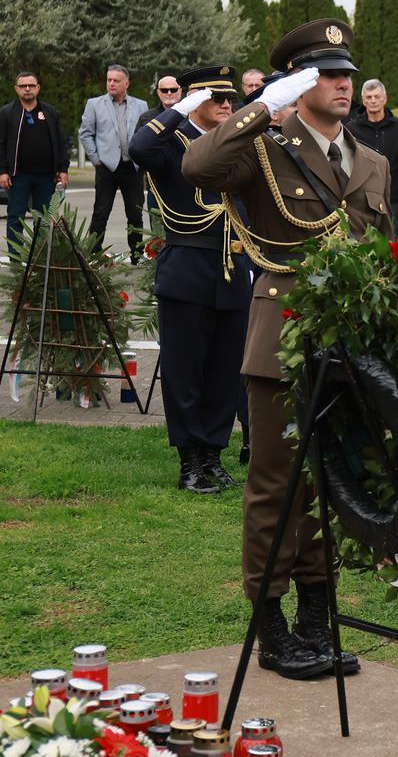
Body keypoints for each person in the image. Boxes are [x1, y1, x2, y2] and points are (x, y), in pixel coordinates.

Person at [182, 19, 392, 681]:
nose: (341, 84)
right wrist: (261, 107)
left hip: (349, 342)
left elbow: (379, 253)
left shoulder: (372, 162)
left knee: (329, 483)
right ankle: (271, 626)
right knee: (277, 483)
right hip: (284, 338)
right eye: (325, 75)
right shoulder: (265, 148)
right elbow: (197, 164)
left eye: (345, 74)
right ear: (299, 83)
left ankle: (314, 619)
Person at [131, 65, 251, 494]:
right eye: (216, 98)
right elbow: (139, 147)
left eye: (230, 99)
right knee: (185, 372)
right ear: (195, 101)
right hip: (188, 270)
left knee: (224, 372)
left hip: (235, 270)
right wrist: (179, 108)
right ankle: (189, 462)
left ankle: (213, 457)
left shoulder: (237, 145)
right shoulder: (170, 142)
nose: (226, 105)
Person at [80, 64, 150, 260]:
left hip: (133, 167)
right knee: (101, 212)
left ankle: (137, 254)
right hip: (106, 168)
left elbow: (145, 134)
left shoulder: (141, 105)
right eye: (109, 80)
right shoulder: (94, 104)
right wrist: (96, 159)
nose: (111, 83)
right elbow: (85, 134)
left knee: (136, 214)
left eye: (116, 80)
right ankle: (93, 253)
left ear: (126, 83)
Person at [0, 72, 70, 254]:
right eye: (23, 86)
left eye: (31, 85)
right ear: (16, 89)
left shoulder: (50, 112)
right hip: (17, 177)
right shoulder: (7, 113)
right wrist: (3, 171)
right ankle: (17, 261)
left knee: (45, 219)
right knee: (16, 217)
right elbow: (0, 144)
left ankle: (41, 260)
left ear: (38, 88)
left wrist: (63, 168)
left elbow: (62, 142)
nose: (27, 89)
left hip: (46, 177)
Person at [348, 79, 398, 229]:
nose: (373, 101)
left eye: (377, 96)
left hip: (393, 197)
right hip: (363, 197)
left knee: (391, 242)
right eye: (369, 97)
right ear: (363, 101)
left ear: (385, 99)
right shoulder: (352, 128)